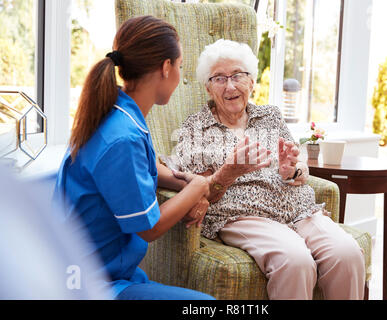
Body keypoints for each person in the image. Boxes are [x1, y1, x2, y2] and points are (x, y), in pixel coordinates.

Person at [172, 39, 366, 300]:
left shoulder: (271, 116)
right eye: (219, 78)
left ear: (251, 82)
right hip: (242, 215)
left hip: (298, 209)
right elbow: (199, 193)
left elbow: (300, 172)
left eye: (238, 75)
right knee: (295, 260)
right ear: (208, 88)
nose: (230, 85)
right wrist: (229, 171)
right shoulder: (196, 127)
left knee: (347, 253)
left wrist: (292, 170)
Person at [53, 15, 218, 300]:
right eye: (180, 66)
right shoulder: (123, 138)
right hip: (91, 284)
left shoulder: (116, 113)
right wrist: (198, 188)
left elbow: (145, 167)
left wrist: (183, 182)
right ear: (166, 68)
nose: (180, 76)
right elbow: (149, 229)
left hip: (107, 272)